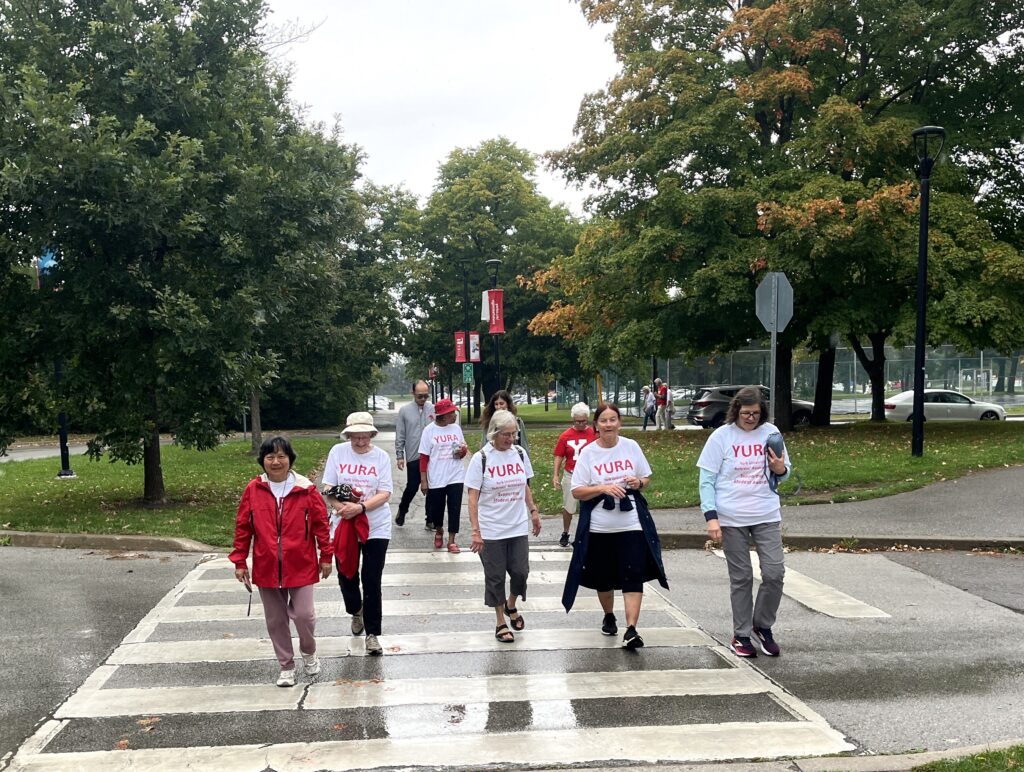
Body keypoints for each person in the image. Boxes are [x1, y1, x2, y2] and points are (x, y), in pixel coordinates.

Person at [561, 403, 668, 650]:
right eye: (604, 421)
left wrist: (638, 482)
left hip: (631, 523)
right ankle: (609, 615)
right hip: (600, 526)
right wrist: (603, 488)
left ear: (619, 422)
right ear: (596, 425)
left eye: (613, 420)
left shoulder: (631, 446)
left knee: (633, 575)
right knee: (604, 579)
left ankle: (631, 629)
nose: (608, 425)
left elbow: (646, 478)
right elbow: (577, 491)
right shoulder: (589, 453)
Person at [696, 386, 791, 659]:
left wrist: (780, 470)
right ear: (736, 410)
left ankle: (762, 625)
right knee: (742, 578)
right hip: (731, 516)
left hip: (766, 514)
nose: (751, 418)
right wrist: (711, 517)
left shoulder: (771, 433)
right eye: (746, 413)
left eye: (756, 413)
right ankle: (741, 634)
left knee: (774, 574)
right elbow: (706, 481)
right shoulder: (721, 437)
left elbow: (785, 472)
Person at [230, 436, 333, 686]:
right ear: (263, 461)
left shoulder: (306, 489)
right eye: (270, 457)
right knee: (276, 620)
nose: (276, 462)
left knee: (304, 615)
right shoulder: (253, 490)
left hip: (301, 564)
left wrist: (326, 555)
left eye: (281, 456)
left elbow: (321, 524)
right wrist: (240, 560)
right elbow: (243, 527)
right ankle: (286, 666)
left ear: (290, 459)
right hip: (266, 566)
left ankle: (309, 652)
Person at [465, 409, 543, 643]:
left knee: (521, 572)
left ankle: (511, 604)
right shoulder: (481, 459)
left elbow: (524, 485)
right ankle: (500, 621)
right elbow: (472, 497)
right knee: (496, 576)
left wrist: (534, 511)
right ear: (494, 434)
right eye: (507, 435)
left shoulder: (519, 454)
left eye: (514, 434)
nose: (511, 439)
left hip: (517, 525)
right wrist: (476, 531)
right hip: (491, 529)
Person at [322, 411, 394, 657]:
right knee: (346, 574)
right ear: (348, 435)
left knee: (372, 578)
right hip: (344, 523)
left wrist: (361, 507)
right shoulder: (337, 453)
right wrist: (342, 508)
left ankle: (373, 634)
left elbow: (385, 493)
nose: (360, 442)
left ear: (372, 435)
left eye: (365, 437)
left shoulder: (381, 457)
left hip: (375, 524)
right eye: (355, 437)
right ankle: (356, 609)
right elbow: (328, 489)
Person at [418, 397, 469, 553]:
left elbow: (461, 448)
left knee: (454, 508)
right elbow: (424, 457)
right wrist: (424, 480)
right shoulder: (429, 431)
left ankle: (452, 540)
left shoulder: (456, 429)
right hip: (437, 476)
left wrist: (463, 451)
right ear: (444, 415)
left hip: (455, 475)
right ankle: (439, 530)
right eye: (452, 412)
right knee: (437, 509)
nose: (455, 415)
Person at [552, 402, 597, 547]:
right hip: (571, 474)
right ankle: (565, 532)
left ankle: (585, 535)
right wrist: (556, 475)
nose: (581, 424)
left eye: (584, 421)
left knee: (589, 506)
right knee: (569, 506)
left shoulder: (594, 434)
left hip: (590, 476)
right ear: (573, 420)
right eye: (578, 421)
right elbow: (559, 456)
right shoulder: (566, 436)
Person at [394, 381, 435, 528]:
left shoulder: (433, 409)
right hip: (414, 455)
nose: (423, 399)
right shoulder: (405, 411)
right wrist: (400, 455)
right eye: (420, 396)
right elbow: (400, 434)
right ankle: (402, 510)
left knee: (432, 486)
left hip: (432, 456)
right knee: (412, 485)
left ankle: (430, 519)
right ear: (413, 393)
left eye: (426, 396)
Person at [479, 389, 529, 456]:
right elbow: (484, 444)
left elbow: (524, 444)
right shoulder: (489, 422)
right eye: (496, 404)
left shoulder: (518, 422)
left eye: (501, 403)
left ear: (508, 404)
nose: (499, 407)